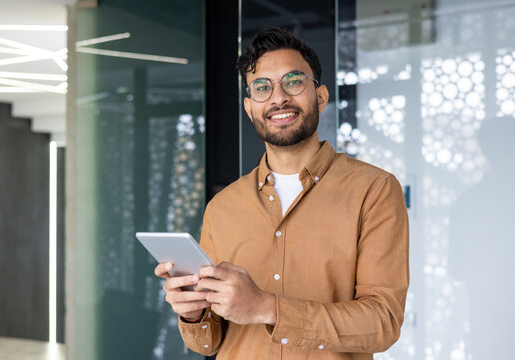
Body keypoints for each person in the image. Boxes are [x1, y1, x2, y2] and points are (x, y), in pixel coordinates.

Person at [154, 26, 409, 359]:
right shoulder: (223, 207)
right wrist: (193, 311)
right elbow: (207, 342)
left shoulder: (373, 190)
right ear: (249, 108)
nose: (278, 98)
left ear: (320, 96)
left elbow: (383, 323)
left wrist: (267, 308)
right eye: (262, 87)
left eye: (293, 81)